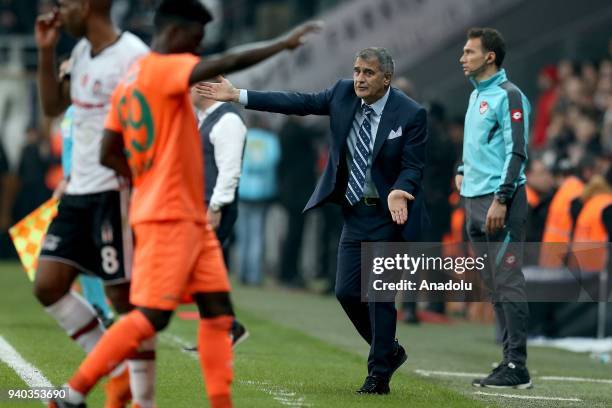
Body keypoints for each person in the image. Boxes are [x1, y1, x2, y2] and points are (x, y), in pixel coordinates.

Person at [48, 1, 321, 407]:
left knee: (217, 310)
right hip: (169, 216)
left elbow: (107, 150)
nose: (198, 49)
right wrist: (281, 45)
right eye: (195, 40)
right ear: (175, 33)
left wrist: (145, 173)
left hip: (182, 211)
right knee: (150, 317)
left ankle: (219, 402)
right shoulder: (164, 67)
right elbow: (224, 62)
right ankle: (71, 394)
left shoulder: (129, 79)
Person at [197, 46, 428, 395]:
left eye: (367, 73)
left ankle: (378, 374)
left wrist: (400, 189)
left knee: (380, 296)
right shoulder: (341, 94)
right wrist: (238, 96)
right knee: (346, 291)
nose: (359, 79)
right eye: (356, 71)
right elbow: (296, 102)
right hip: (354, 212)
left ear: (386, 78)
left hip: (389, 215)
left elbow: (413, 164)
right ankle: (390, 350)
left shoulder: (410, 113)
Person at [456, 27, 532, 389]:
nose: (462, 57)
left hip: (499, 202)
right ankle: (508, 359)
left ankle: (518, 365)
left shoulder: (508, 95)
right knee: (494, 287)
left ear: (489, 57)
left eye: (469, 52)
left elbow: (517, 150)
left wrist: (502, 198)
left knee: (508, 282)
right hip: (472, 200)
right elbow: (479, 147)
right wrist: (460, 171)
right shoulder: (476, 96)